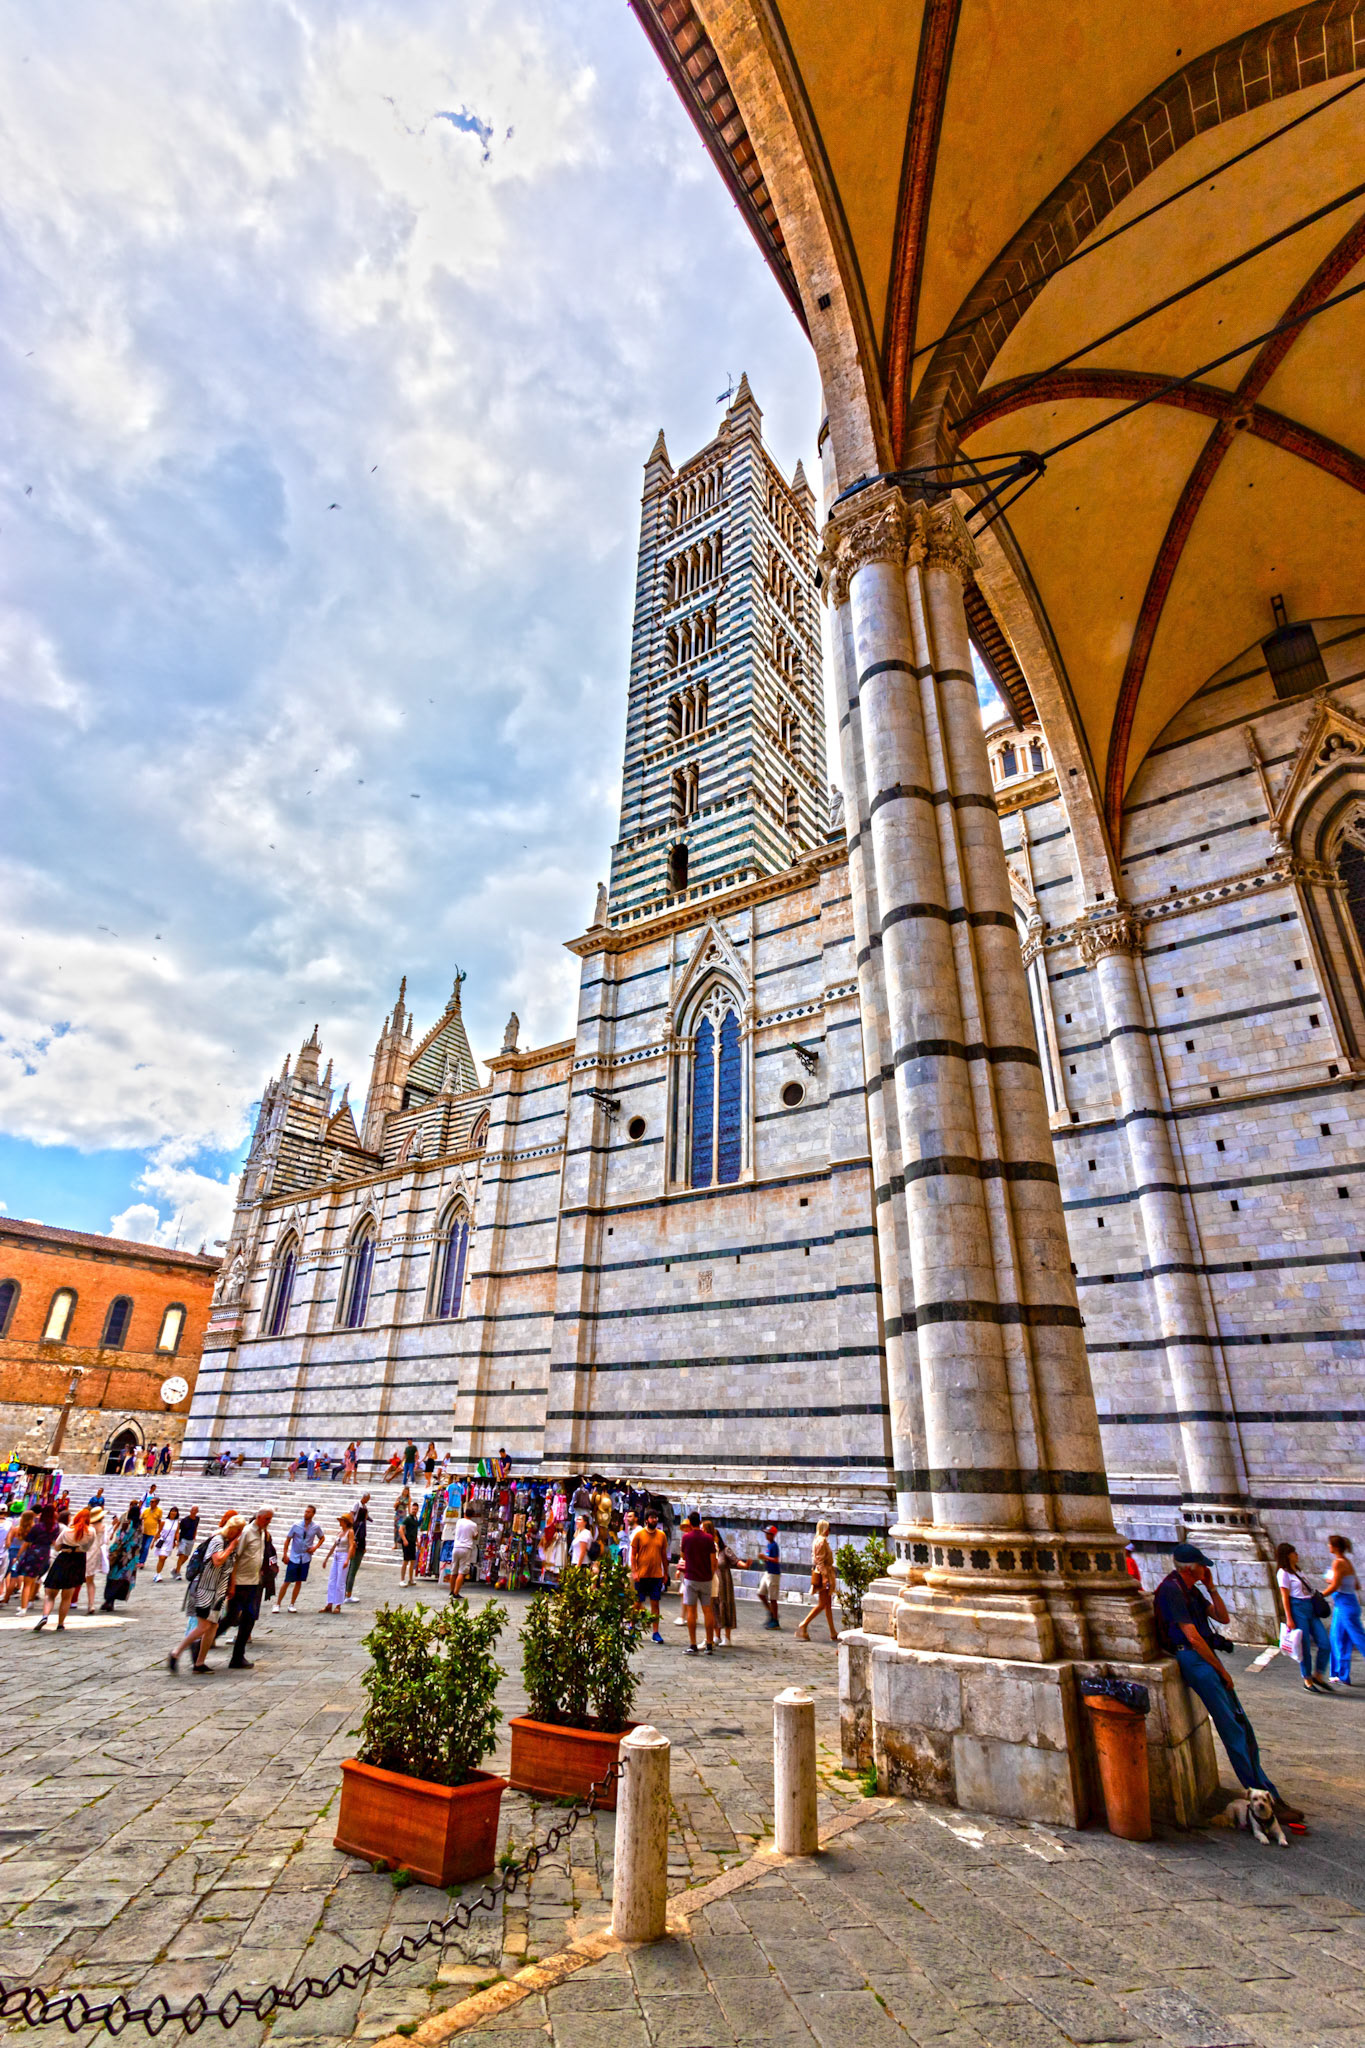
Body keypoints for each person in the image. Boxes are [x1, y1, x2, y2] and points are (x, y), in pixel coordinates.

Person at [1155, 1542, 1302, 1822]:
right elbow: (1193, 1638)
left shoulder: (1190, 1590)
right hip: (1194, 1660)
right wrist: (1221, 1670)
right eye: (1201, 1567)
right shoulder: (1171, 1591)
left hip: (1204, 1658)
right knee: (1231, 1728)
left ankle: (1269, 1793)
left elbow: (1221, 1617)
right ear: (1191, 1568)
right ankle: (1260, 1795)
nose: (1205, 1570)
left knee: (1241, 1725)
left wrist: (1210, 1587)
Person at [169, 1515, 244, 1673]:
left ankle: (199, 1663)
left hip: (218, 1590)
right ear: (231, 1529)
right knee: (204, 1626)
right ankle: (176, 1653)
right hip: (204, 1589)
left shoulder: (232, 1543)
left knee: (213, 1626)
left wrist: (232, 1584)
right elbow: (217, 1561)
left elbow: (232, 1564)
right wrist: (230, 1547)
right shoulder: (218, 1540)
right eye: (238, 1530)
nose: (240, 1534)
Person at [1276, 1541, 1332, 1693]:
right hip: (1297, 1608)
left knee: (1325, 1643)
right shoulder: (1283, 1573)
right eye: (1294, 1553)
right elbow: (1284, 1597)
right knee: (1304, 1646)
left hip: (1310, 1608)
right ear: (1287, 1556)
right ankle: (1307, 1678)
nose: (1297, 1555)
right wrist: (1289, 1618)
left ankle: (1318, 1675)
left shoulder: (1298, 1571)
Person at [223, 1508, 271, 1668]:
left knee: (249, 1618)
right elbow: (235, 1556)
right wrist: (232, 1582)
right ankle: (201, 1644)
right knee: (231, 1618)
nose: (268, 1522)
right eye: (266, 1519)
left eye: (270, 1519)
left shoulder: (262, 1533)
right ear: (259, 1517)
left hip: (254, 1582)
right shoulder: (247, 1532)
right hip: (241, 1582)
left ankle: (238, 1656)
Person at [35, 1508, 96, 1631]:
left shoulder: (68, 1531)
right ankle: (60, 1623)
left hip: (64, 1559)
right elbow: (87, 1548)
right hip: (78, 1561)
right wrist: (76, 1549)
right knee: (67, 1596)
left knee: (50, 1593)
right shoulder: (91, 1531)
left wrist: (67, 1548)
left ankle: (45, 1616)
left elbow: (57, 1547)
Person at [1326, 1534, 1365, 1685]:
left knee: (1359, 1640)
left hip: (1344, 1606)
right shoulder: (1346, 1562)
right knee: (1338, 1639)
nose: (1328, 1547)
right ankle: (1340, 1675)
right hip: (1346, 1604)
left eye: (1329, 1545)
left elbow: (1334, 1586)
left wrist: (1319, 1595)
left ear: (1335, 1547)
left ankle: (1340, 1674)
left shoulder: (1338, 1563)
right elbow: (1356, 1586)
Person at [679, 1512, 718, 1655]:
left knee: (691, 1611)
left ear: (690, 1522)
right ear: (700, 1521)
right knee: (708, 1610)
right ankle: (709, 1643)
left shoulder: (686, 1538)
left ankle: (693, 1644)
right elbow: (713, 1560)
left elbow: (683, 1556)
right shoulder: (708, 1538)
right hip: (706, 1578)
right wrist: (711, 1573)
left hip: (691, 1577)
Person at [630, 1508, 669, 1645]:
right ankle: (632, 1627)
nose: (655, 1520)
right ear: (646, 1520)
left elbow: (664, 1556)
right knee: (637, 1602)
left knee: (655, 1603)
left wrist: (666, 1573)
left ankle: (655, 1632)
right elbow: (633, 1555)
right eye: (652, 1518)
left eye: (656, 1518)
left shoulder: (661, 1535)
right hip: (642, 1574)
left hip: (656, 1574)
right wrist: (634, 1571)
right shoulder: (639, 1535)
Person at [275, 1505, 324, 1611]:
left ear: (313, 1514)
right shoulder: (296, 1525)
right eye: (305, 1511)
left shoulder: (316, 1527)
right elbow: (288, 1539)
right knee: (287, 1580)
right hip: (294, 1556)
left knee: (299, 1581)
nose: (306, 1514)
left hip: (305, 1557)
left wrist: (315, 1547)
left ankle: (292, 1604)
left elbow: (322, 1537)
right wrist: (285, 1554)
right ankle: (278, 1604)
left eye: (309, 1512)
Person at [796, 1520, 839, 1642]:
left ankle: (832, 1632)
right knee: (822, 1604)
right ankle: (803, 1624)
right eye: (828, 1528)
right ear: (825, 1528)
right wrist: (825, 1578)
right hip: (824, 1574)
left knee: (827, 1604)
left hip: (825, 1573)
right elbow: (819, 1562)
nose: (829, 1531)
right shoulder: (821, 1541)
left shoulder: (818, 1540)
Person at [102, 1504, 143, 1611]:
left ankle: (109, 1600)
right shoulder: (140, 1525)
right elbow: (139, 1542)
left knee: (113, 1576)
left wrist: (111, 1551)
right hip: (132, 1557)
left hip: (121, 1555)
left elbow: (119, 1540)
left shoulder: (126, 1524)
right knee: (124, 1578)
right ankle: (113, 1600)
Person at [705, 1520, 739, 1645]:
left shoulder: (725, 1551)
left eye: (714, 1536)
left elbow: (736, 1561)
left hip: (725, 1584)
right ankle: (716, 1635)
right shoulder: (709, 1551)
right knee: (714, 1608)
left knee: (726, 1606)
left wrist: (745, 1565)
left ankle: (727, 1637)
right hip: (713, 1583)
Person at [14, 1510, 54, 1614]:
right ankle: (30, 1601)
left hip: (34, 1553)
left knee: (27, 1582)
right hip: (46, 1553)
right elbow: (54, 1542)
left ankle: (23, 1608)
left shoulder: (37, 1527)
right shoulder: (55, 1527)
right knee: (36, 1579)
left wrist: (18, 1555)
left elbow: (27, 1542)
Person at [321, 1515, 354, 1612]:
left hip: (344, 1555)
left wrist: (347, 1559)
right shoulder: (340, 1532)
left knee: (340, 1580)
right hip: (336, 1555)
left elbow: (351, 1546)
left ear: (346, 1522)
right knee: (332, 1580)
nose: (340, 1522)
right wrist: (326, 1558)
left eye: (342, 1521)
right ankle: (329, 1603)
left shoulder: (350, 1532)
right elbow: (334, 1546)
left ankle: (338, 1605)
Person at [449, 1503, 480, 1601]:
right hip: (466, 1548)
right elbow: (475, 1536)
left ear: (464, 1513)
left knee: (453, 1570)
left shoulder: (459, 1521)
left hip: (456, 1547)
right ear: (472, 1515)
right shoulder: (473, 1525)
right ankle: (456, 1593)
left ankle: (451, 1591)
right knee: (461, 1572)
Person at [757, 1525, 783, 1629]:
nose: (766, 1535)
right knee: (761, 1593)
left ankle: (775, 1620)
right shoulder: (769, 1545)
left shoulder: (774, 1546)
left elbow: (776, 1560)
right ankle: (771, 1612)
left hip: (774, 1574)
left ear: (772, 1535)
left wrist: (765, 1557)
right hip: (768, 1572)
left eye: (768, 1533)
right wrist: (763, 1559)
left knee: (773, 1598)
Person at [346, 1494, 370, 1601]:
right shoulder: (361, 1524)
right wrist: (363, 1548)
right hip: (358, 1548)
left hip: (351, 1547)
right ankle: (348, 1594)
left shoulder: (354, 1525)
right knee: (352, 1571)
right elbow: (362, 1537)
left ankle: (344, 1592)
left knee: (348, 1570)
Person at [82, 1507, 105, 1612]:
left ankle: (70, 1601)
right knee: (90, 1581)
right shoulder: (103, 1527)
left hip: (84, 1551)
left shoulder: (87, 1527)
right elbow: (105, 1541)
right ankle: (91, 1604)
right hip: (95, 1552)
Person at [152, 1506, 181, 1581]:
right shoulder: (164, 1522)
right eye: (172, 1511)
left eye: (175, 1511)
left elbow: (177, 1533)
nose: (173, 1512)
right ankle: (158, 1574)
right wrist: (153, 1542)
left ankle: (157, 1573)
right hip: (162, 1541)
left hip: (170, 1542)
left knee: (164, 1558)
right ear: (170, 1512)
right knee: (161, 1557)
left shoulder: (176, 1523)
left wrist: (177, 1541)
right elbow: (158, 1532)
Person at [174, 1506, 200, 1578]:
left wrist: (194, 1537)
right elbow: (178, 1531)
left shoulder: (197, 1519)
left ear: (197, 1511)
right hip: (183, 1539)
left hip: (191, 1540)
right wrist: (177, 1540)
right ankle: (178, 1572)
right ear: (190, 1511)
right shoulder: (184, 1520)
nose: (193, 1512)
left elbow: (195, 1528)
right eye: (192, 1510)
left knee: (186, 1557)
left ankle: (176, 1569)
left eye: (195, 1510)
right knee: (181, 1555)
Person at [139, 1492, 163, 1566]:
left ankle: (142, 1561)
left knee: (146, 1547)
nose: (150, 1503)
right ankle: (139, 1560)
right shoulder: (146, 1510)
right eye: (150, 1501)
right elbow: (140, 1519)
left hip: (151, 1532)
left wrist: (159, 1532)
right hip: (143, 1531)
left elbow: (160, 1522)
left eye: (152, 1502)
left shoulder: (159, 1511)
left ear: (156, 1503)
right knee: (141, 1546)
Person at [398, 1502, 420, 1585]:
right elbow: (400, 1529)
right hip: (407, 1542)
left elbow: (414, 1532)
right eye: (413, 1509)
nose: (414, 1510)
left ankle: (411, 1579)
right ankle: (402, 1579)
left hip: (412, 1542)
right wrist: (404, 1540)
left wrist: (417, 1542)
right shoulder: (408, 1519)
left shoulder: (415, 1519)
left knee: (412, 1561)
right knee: (405, 1561)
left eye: (415, 1509)